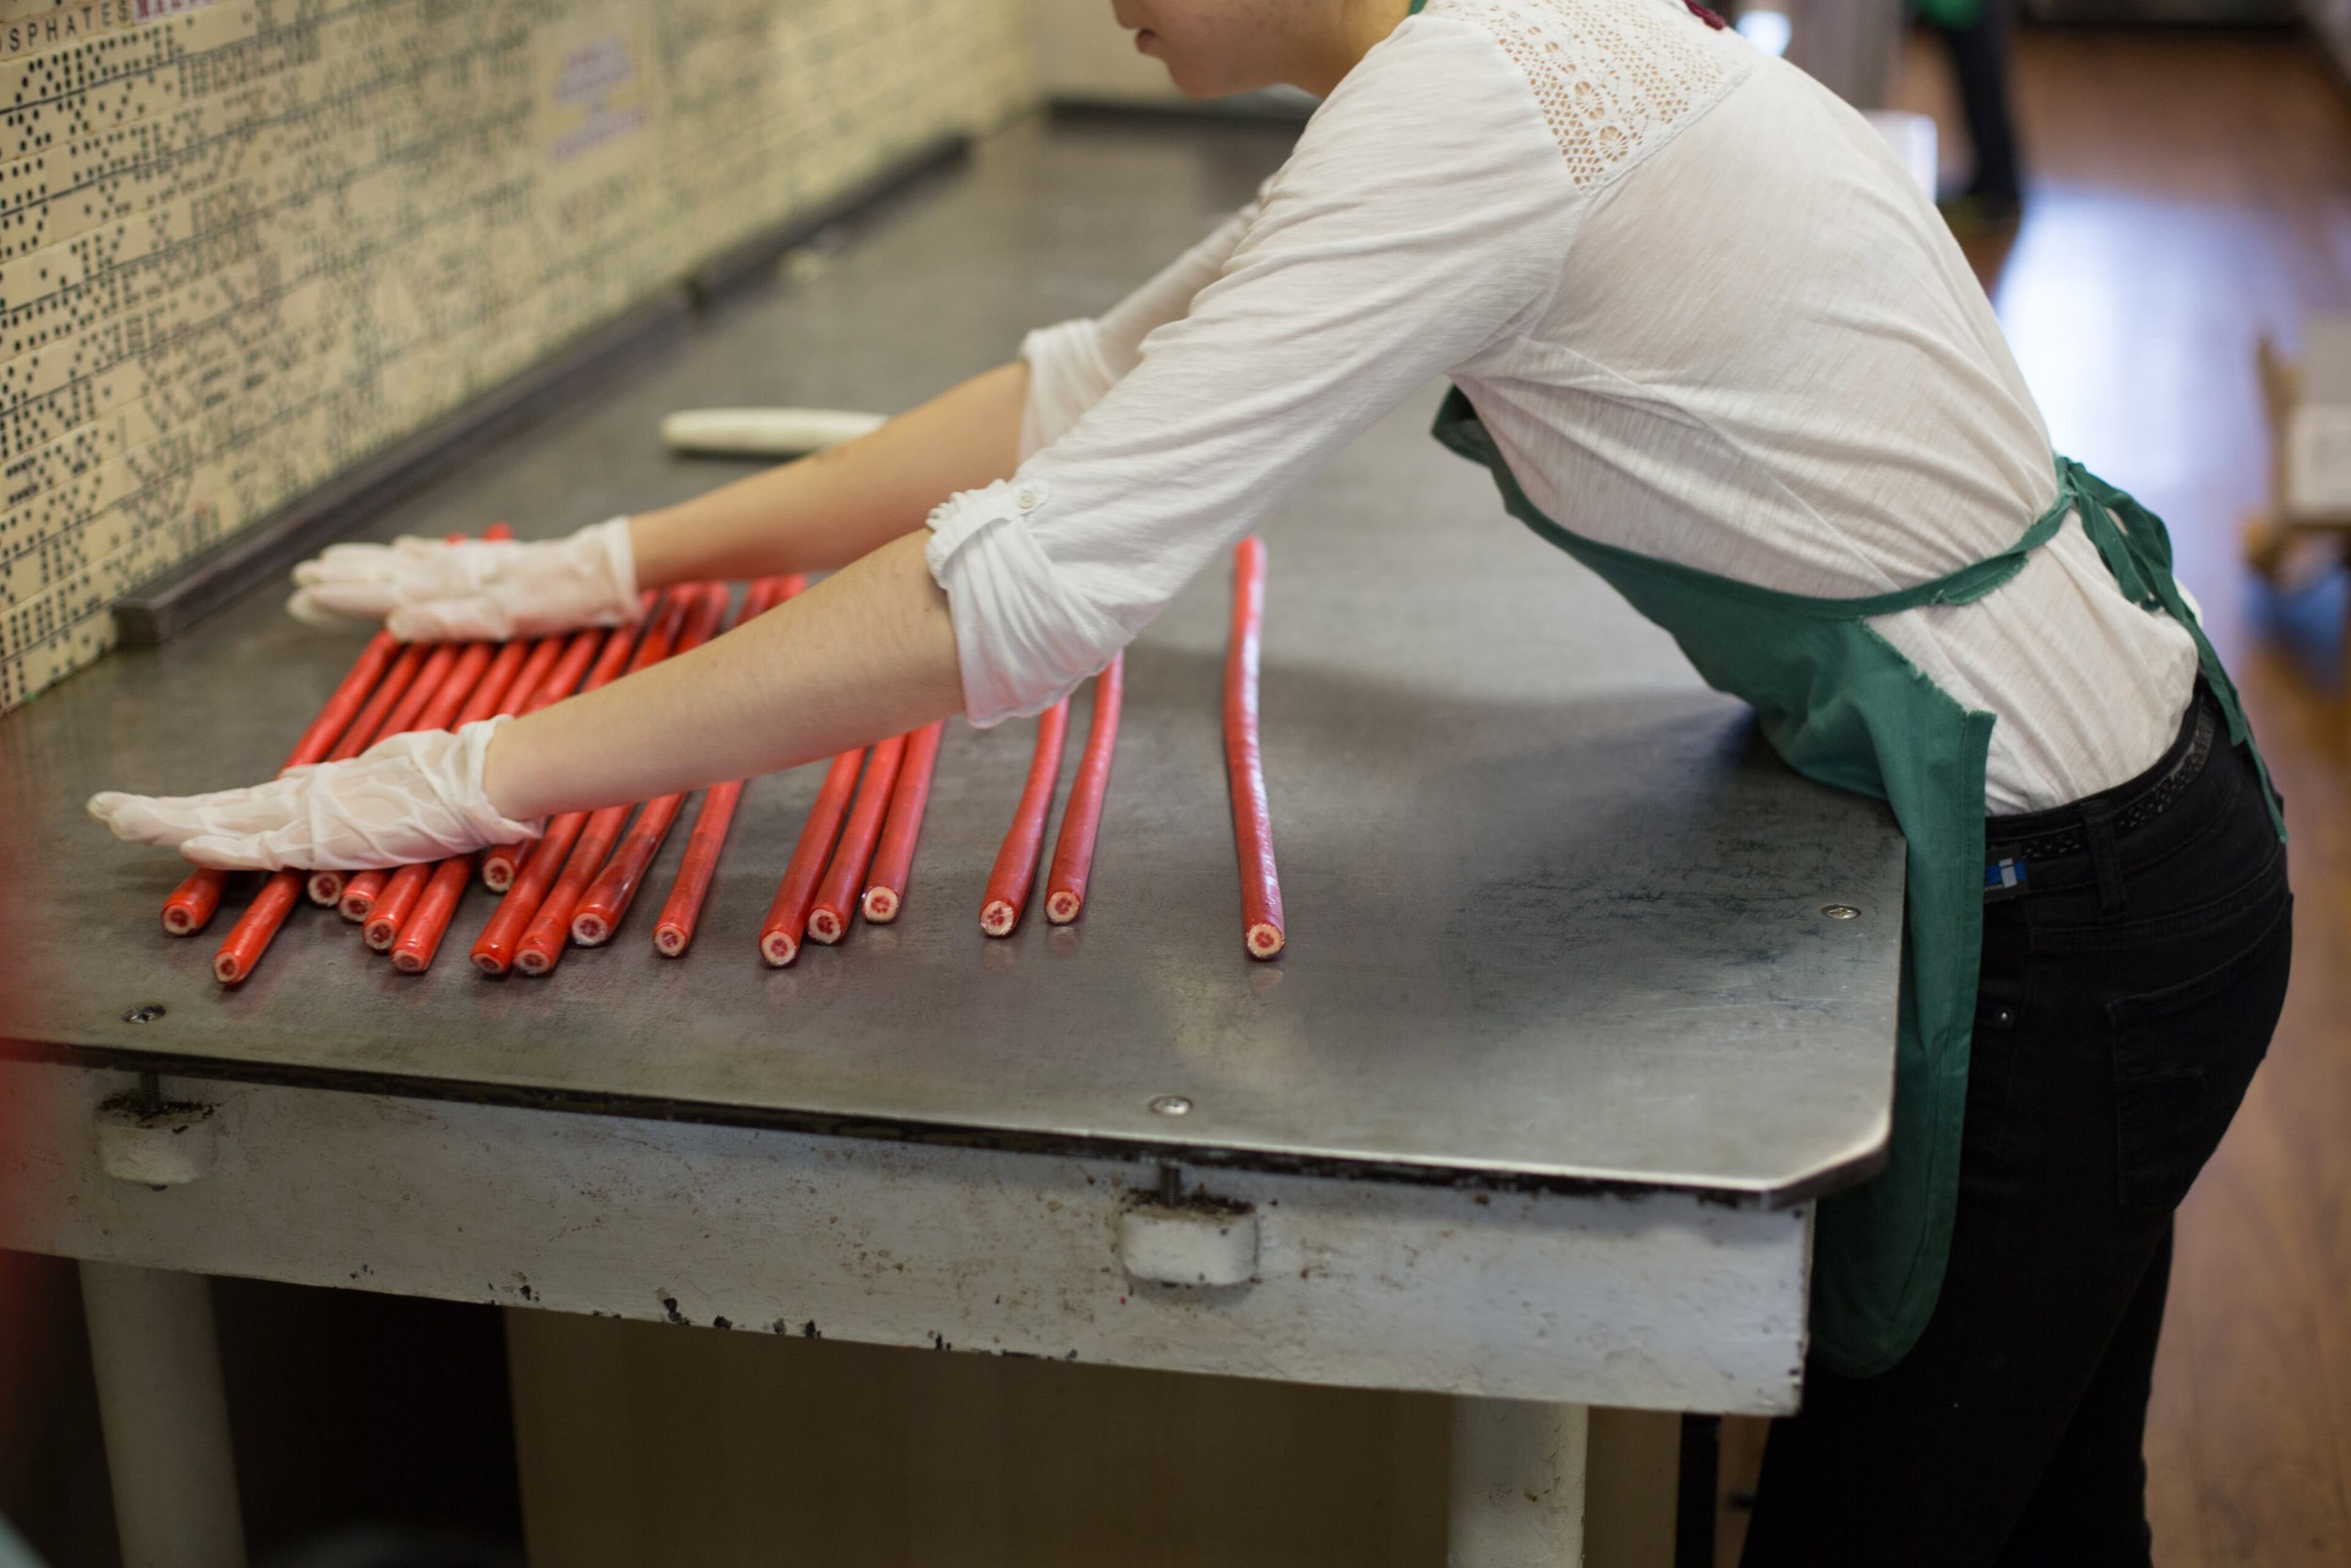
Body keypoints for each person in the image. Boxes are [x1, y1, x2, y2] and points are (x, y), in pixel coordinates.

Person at [89, 1, 2290, 1559]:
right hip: (2135, 822)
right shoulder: (1498, 55)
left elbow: (1034, 593)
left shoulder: (1470, 107)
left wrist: (482, 778)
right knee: (2051, 1522)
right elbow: (1080, 393)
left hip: (2077, 911)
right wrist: (606, 565)